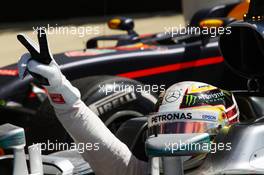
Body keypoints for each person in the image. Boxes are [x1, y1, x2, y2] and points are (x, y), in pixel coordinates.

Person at [17, 30, 239, 175]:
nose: (170, 146)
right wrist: (58, 89)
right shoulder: (143, 171)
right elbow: (98, 143)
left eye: (185, 130)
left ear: (221, 133)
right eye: (164, 130)